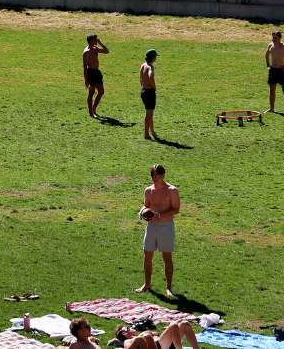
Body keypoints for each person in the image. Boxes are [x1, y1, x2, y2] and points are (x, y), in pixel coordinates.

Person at [135, 163, 180, 297]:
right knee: (147, 255)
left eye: (158, 176)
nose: (155, 178)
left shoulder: (172, 190)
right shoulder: (148, 190)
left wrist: (160, 215)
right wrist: (142, 212)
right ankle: (147, 285)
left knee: (166, 256)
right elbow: (145, 205)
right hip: (152, 227)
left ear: (163, 175)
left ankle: (169, 287)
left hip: (166, 227)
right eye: (153, 176)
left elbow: (176, 208)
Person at [265, 31, 284, 114]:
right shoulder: (270, 45)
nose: (273, 39)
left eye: (275, 38)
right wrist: (268, 65)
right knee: (272, 90)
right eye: (273, 37)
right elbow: (266, 54)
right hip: (273, 70)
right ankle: (271, 108)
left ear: (280, 38)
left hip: (281, 71)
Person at [112, 320, 200, 349]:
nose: (130, 327)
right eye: (127, 328)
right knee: (173, 325)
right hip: (159, 346)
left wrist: (165, 331)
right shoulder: (128, 340)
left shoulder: (141, 334)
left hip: (167, 343)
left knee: (185, 324)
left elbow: (157, 333)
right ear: (124, 333)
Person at [83, 35, 109, 118]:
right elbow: (84, 66)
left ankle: (94, 109)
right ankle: (91, 113)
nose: (96, 41)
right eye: (95, 40)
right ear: (91, 41)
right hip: (90, 73)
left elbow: (106, 51)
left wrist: (100, 42)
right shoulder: (86, 52)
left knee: (101, 91)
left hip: (97, 72)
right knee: (91, 93)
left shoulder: (95, 48)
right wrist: (86, 79)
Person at [140, 50, 158, 140]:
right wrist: (154, 86)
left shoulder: (143, 65)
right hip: (149, 92)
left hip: (143, 91)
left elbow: (140, 78)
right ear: (153, 57)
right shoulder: (151, 67)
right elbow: (150, 76)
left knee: (150, 113)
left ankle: (152, 131)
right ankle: (146, 134)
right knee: (149, 114)